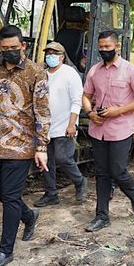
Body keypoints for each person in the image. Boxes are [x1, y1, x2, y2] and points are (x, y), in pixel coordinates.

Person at [0, 25, 50, 266]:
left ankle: (6, 251)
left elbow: (43, 113)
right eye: (5, 49)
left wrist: (42, 147)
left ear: (23, 46)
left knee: (12, 197)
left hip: (23, 145)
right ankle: (29, 216)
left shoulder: (36, 72)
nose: (10, 52)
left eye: (14, 48)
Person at [82, 30, 134, 232]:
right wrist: (89, 112)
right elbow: (85, 95)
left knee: (118, 170)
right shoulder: (94, 71)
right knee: (101, 173)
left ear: (116, 47)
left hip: (121, 129)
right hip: (98, 129)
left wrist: (119, 110)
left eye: (107, 47)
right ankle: (102, 216)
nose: (103, 50)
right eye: (100, 47)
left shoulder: (130, 70)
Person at [34, 42, 87, 207]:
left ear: (62, 56)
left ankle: (79, 181)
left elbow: (76, 101)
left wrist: (72, 124)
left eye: (54, 53)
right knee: (46, 161)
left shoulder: (70, 74)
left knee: (63, 157)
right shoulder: (42, 74)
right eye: (48, 53)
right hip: (45, 126)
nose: (50, 56)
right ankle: (51, 193)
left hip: (65, 124)